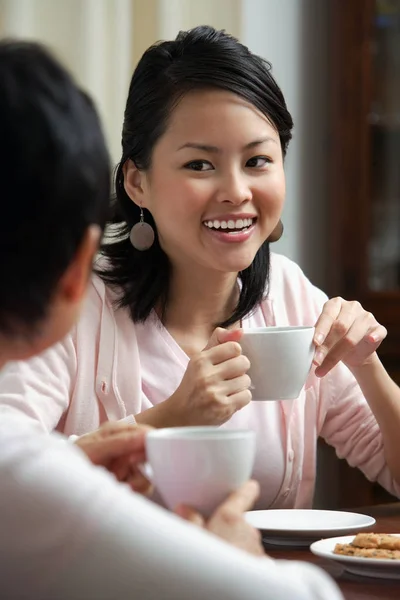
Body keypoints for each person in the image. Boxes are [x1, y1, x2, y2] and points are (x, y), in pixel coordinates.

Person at [1, 25, 400, 513]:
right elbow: (10, 475)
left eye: (257, 160)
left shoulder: (291, 298)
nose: (236, 191)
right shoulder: (75, 303)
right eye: (200, 165)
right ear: (136, 181)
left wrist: (366, 365)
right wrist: (171, 417)